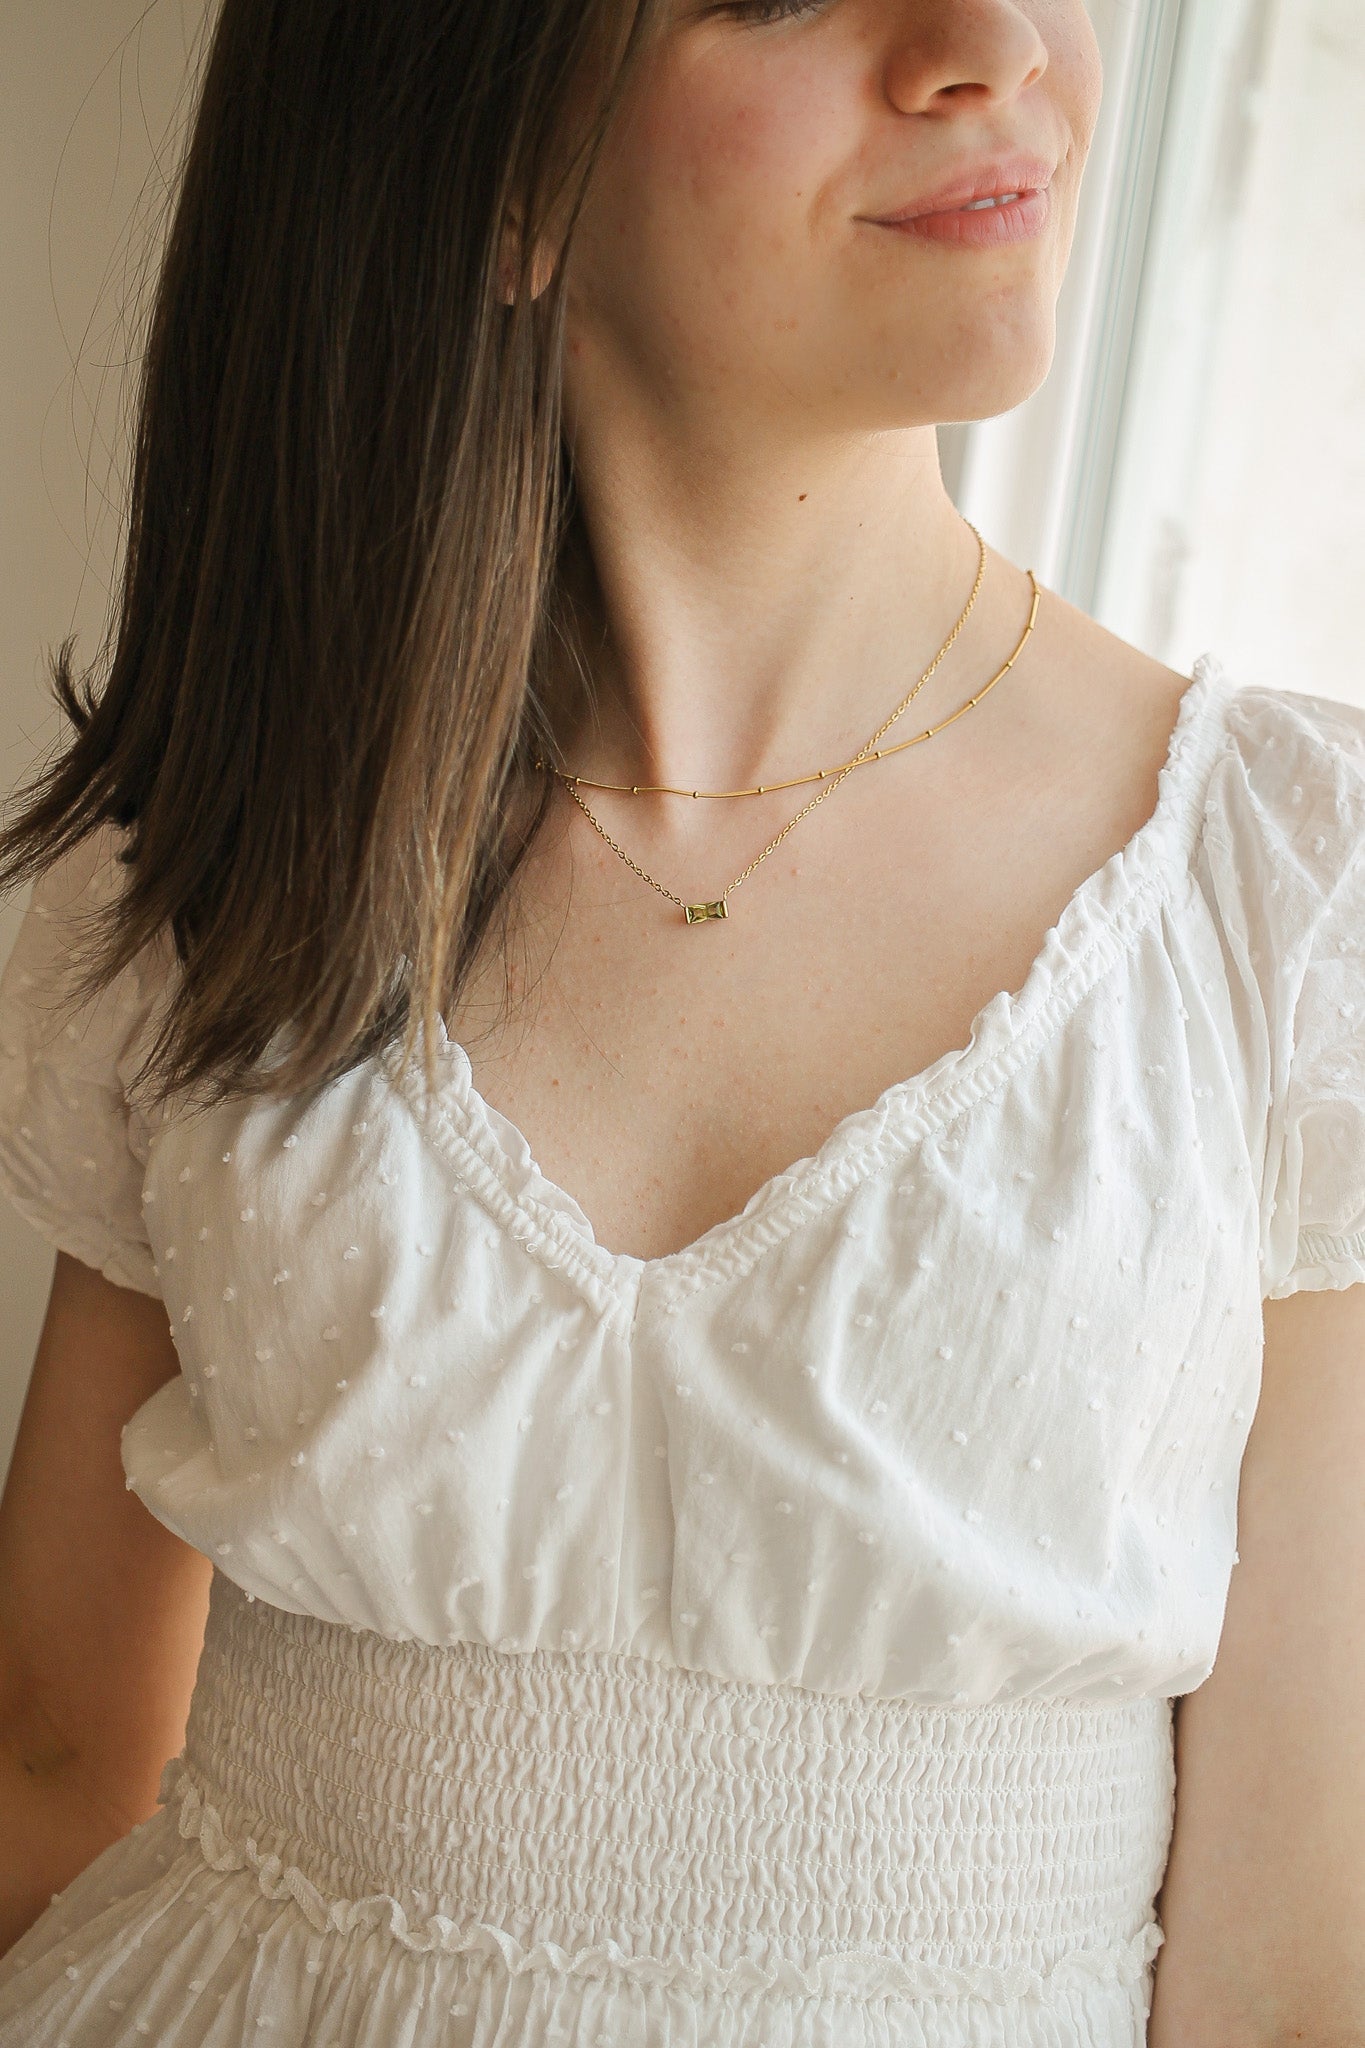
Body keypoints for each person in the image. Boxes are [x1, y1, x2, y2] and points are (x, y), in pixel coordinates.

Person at [0, 0, 1361, 2043]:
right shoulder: (223, 862)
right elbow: (52, 1749)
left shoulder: (1289, 896)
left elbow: (1292, 1976)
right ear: (495, 167)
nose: (991, 41)